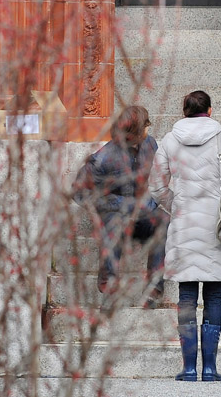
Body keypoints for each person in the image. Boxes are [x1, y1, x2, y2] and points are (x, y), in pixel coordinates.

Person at [149, 90, 221, 382]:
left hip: (183, 224)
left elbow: (156, 186)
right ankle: (210, 369)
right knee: (214, 295)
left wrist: (175, 205)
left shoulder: (169, 140)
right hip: (216, 227)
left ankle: (189, 368)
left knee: (187, 296)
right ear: (210, 110)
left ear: (184, 111)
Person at [71, 105, 167, 307]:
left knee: (162, 222)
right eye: (145, 126)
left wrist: (151, 202)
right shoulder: (104, 157)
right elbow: (78, 192)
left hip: (142, 215)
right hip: (115, 217)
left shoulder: (150, 145)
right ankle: (110, 289)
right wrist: (119, 203)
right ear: (135, 131)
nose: (149, 129)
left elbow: (159, 179)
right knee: (112, 224)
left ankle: (153, 290)